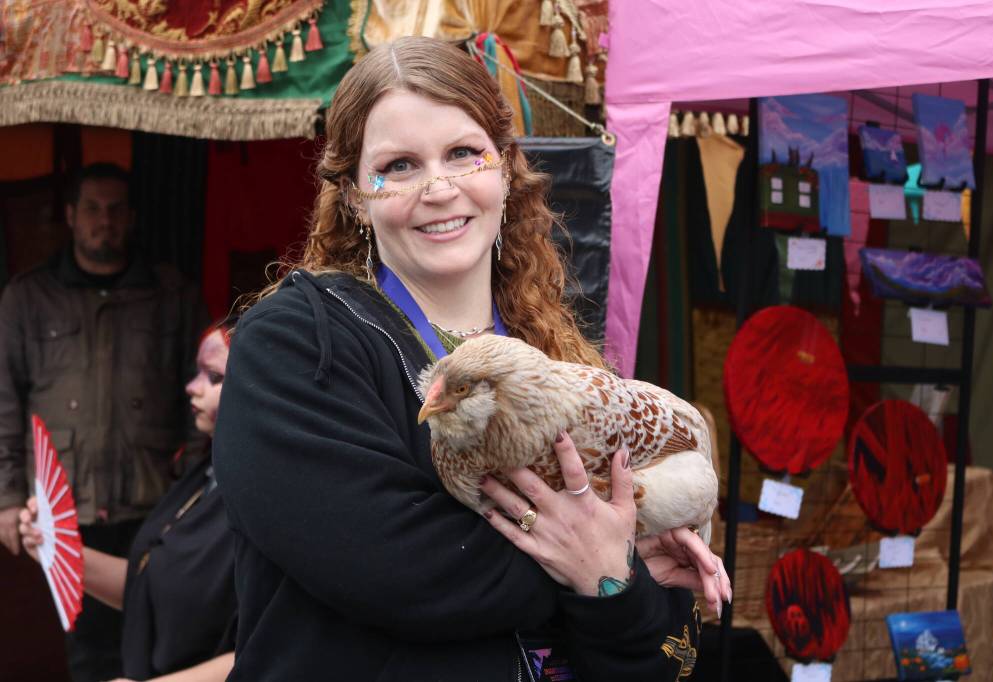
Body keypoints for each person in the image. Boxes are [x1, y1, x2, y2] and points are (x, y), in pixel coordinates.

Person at [214, 36, 731, 681]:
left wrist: (612, 584)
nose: (439, 187)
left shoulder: (556, 363)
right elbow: (395, 571)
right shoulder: (297, 344)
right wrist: (606, 560)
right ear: (353, 196)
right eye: (399, 166)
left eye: (463, 153)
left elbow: (662, 651)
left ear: (504, 170)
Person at [0, 162, 208, 681]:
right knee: (89, 652)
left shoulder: (171, 294)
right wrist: (5, 499)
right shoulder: (27, 298)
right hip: (67, 508)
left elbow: (201, 397)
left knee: (164, 648)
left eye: (116, 210)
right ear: (70, 216)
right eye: (92, 209)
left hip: (155, 504)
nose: (104, 221)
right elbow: (4, 401)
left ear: (132, 218)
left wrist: (192, 495)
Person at [18, 323, 236, 682]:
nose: (191, 387)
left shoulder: (262, 502)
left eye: (213, 377)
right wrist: (53, 543)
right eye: (196, 373)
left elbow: (267, 645)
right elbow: (146, 587)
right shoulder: (203, 477)